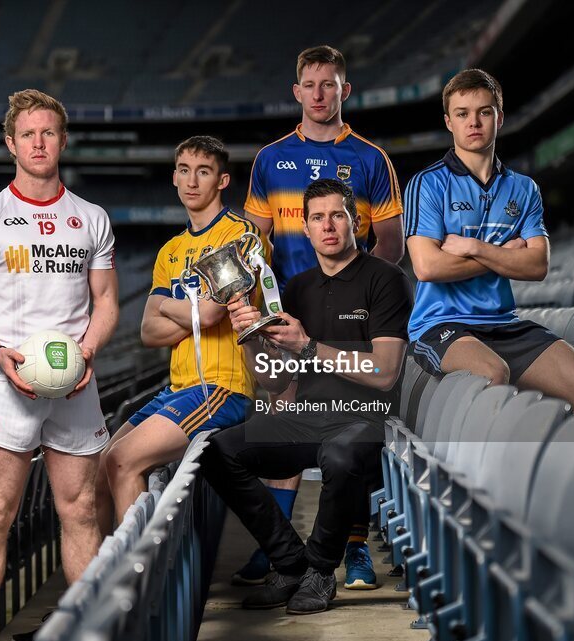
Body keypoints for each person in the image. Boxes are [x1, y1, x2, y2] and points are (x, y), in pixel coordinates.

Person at [0, 89, 119, 641]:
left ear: (63, 140)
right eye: (28, 134)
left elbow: (108, 301)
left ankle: (83, 624)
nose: (39, 143)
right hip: (6, 381)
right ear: (10, 144)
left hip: (75, 383)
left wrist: (86, 353)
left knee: (82, 509)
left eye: (49, 133)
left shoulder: (90, 218)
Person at [201, 178, 413, 615]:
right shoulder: (294, 289)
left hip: (364, 417)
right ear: (306, 228)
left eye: (337, 215)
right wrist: (253, 335)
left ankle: (319, 572)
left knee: (338, 456)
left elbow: (385, 372)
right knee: (218, 450)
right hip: (307, 414)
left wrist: (309, 346)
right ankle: (290, 561)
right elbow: (278, 383)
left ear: (355, 220)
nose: (328, 226)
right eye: (317, 217)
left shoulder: (386, 279)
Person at [237, 43, 404, 589]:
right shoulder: (269, 159)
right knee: (284, 421)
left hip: (351, 313)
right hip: (289, 315)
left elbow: (391, 243)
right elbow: (253, 246)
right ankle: (278, 547)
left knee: (347, 432)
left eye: (328, 84)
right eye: (309, 85)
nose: (318, 94)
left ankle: (353, 549)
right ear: (296, 91)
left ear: (343, 91)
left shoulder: (370, 158)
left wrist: (357, 290)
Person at [404, 69, 574, 411]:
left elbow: (537, 265)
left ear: (499, 118)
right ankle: (480, 467)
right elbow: (427, 266)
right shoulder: (428, 184)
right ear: (448, 122)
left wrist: (476, 248)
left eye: (484, 112)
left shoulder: (524, 188)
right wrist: (503, 256)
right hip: (441, 326)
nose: (474, 122)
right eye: (462, 114)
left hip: (503, 324)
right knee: (492, 375)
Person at [97, 136, 262, 530]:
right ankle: (103, 576)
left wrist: (168, 306)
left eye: (203, 172)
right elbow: (148, 331)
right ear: (174, 177)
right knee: (101, 465)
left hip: (221, 387)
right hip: (178, 388)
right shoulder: (170, 250)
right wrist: (192, 310)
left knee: (123, 461)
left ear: (222, 181)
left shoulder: (240, 236)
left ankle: (135, 585)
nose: (192, 181)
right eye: (184, 171)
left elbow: (208, 314)